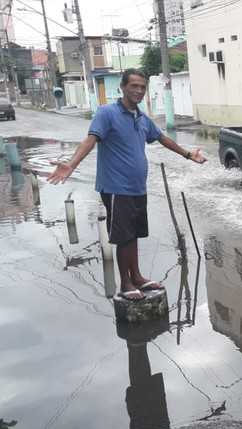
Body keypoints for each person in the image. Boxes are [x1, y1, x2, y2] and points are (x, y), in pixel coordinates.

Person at [47, 68, 207, 300]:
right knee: (123, 236)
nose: (139, 90)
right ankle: (125, 284)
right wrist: (71, 164)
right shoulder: (107, 113)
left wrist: (187, 154)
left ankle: (138, 277)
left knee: (134, 235)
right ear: (122, 87)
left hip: (136, 188)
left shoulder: (141, 118)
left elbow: (161, 137)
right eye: (134, 86)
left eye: (142, 87)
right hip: (115, 187)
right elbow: (90, 140)